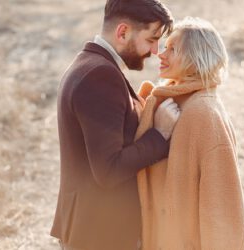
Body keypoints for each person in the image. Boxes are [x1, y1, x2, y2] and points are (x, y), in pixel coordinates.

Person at [50, 0, 179, 249]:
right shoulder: (100, 76)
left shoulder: (88, 64)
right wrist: (159, 135)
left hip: (93, 229)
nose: (155, 50)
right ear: (123, 32)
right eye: (152, 39)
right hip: (102, 233)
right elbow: (108, 170)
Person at [134, 17, 244, 249]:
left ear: (196, 57)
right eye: (165, 47)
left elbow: (223, 208)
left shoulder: (204, 113)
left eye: (173, 49)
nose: (161, 54)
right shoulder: (170, 103)